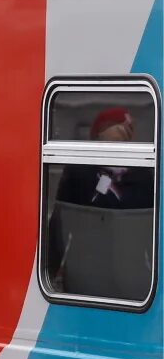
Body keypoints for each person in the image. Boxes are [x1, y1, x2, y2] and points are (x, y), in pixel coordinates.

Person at [47, 107, 155, 297]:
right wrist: (47, 274)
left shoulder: (143, 174)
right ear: (99, 133)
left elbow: (151, 231)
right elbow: (59, 227)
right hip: (86, 279)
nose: (126, 128)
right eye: (118, 125)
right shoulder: (79, 173)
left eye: (128, 127)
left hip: (134, 284)